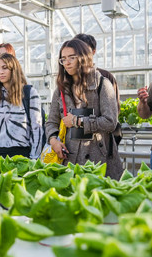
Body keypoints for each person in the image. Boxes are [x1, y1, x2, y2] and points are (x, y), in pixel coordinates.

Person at [45, 39, 123, 179]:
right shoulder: (61, 89)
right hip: (69, 158)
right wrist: (53, 141)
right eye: (63, 59)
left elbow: (110, 122)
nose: (67, 63)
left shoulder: (102, 84)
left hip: (99, 159)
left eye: (71, 58)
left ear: (83, 57)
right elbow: (51, 122)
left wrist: (78, 121)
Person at [0, 53, 42, 167]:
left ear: (14, 69)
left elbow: (36, 128)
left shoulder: (29, 93)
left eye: (5, 68)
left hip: (21, 153)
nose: (1, 72)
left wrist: (34, 157)